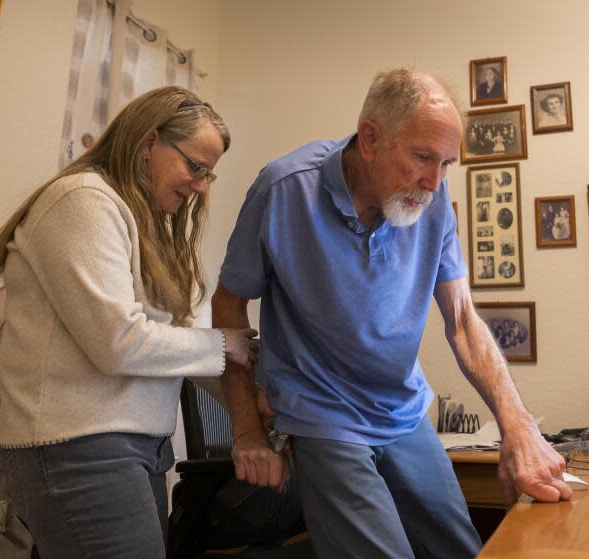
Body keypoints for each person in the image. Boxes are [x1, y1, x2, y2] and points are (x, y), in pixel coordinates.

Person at [213, 69, 570, 559]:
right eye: (423, 157)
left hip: (403, 412)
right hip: (324, 415)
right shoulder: (283, 190)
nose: (434, 182)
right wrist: (247, 432)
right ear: (370, 139)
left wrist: (519, 426)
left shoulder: (434, 198)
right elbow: (227, 303)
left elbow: (463, 319)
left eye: (448, 164)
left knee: (462, 549)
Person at [0, 86, 259, 559]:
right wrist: (224, 345)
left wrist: (254, 399)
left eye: (210, 174)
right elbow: (118, 342)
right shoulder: (82, 200)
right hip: (78, 448)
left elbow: (167, 346)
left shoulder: (136, 219)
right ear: (150, 142)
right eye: (196, 167)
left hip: (129, 448)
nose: (202, 186)